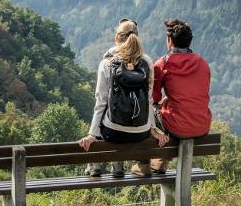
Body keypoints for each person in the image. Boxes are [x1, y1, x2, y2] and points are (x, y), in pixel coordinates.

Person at [78, 18, 167, 177]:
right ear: (137, 37)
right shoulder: (146, 62)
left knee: (105, 117)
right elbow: (148, 100)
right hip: (142, 132)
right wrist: (152, 129)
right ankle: (116, 165)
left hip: (114, 132)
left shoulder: (107, 63)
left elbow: (101, 102)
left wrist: (92, 134)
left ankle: (95, 165)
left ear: (116, 38)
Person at [144, 18, 211, 175]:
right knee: (172, 108)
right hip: (202, 125)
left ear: (170, 41)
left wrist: (164, 102)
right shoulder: (203, 63)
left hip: (177, 126)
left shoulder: (162, 64)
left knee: (150, 111)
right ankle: (160, 161)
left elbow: (152, 99)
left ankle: (159, 159)